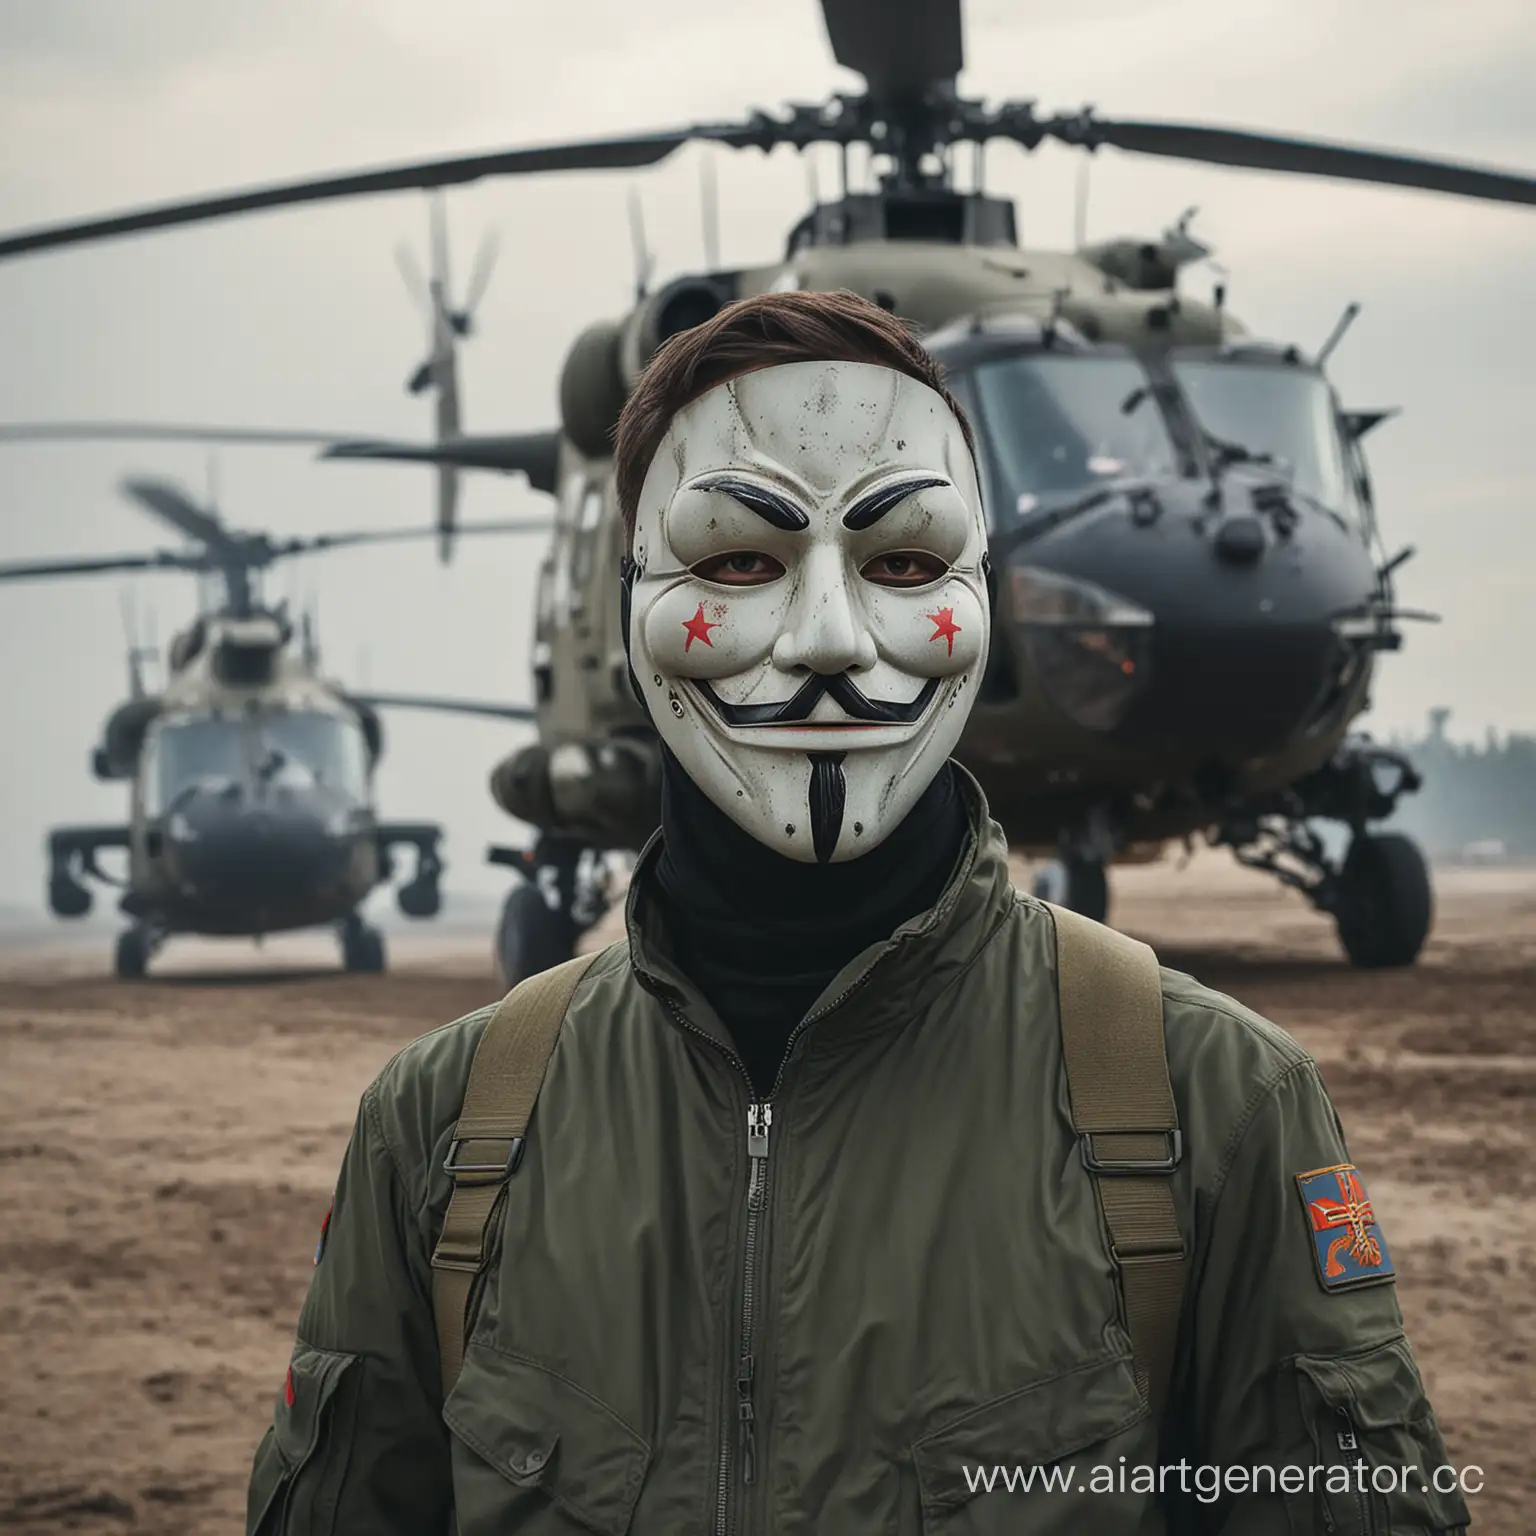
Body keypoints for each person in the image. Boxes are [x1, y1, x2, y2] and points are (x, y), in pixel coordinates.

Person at [247, 290, 1468, 1534]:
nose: (829, 638)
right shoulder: (440, 1130)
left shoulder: (1222, 1105)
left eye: (903, 563)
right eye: (735, 560)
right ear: (632, 609)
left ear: (981, 591)